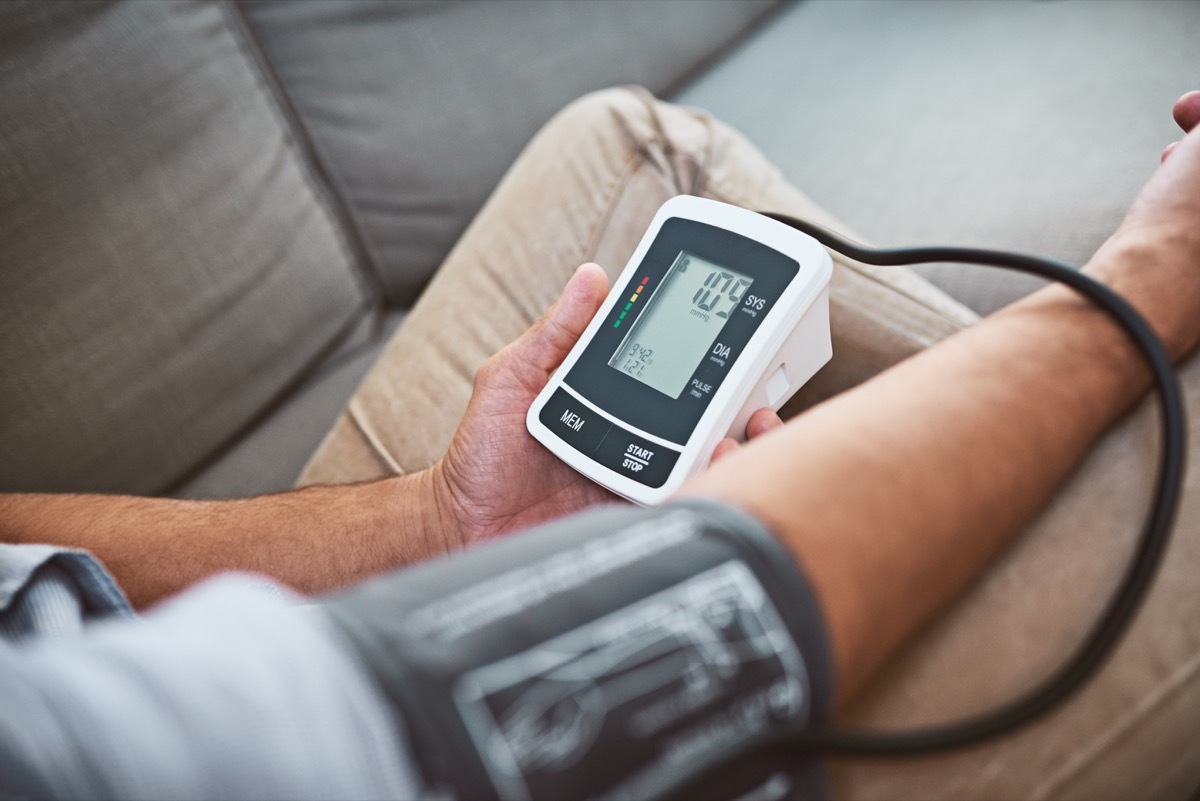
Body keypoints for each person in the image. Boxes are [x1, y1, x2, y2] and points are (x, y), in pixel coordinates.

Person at [1, 87, 1198, 799]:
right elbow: (519, 694)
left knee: (632, 148)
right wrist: (1151, 272)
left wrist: (441, 523)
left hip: (241, 669)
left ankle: (1044, 412)